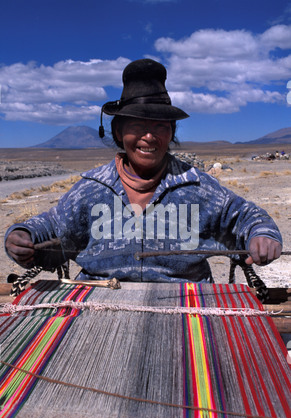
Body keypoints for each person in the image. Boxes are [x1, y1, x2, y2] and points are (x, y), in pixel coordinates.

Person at [5, 58, 282, 283]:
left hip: (188, 309)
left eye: (160, 126)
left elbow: (248, 217)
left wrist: (262, 235)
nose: (149, 136)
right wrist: (22, 237)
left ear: (171, 132)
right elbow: (50, 227)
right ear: (118, 131)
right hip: (99, 302)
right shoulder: (91, 189)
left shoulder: (198, 187)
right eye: (138, 124)